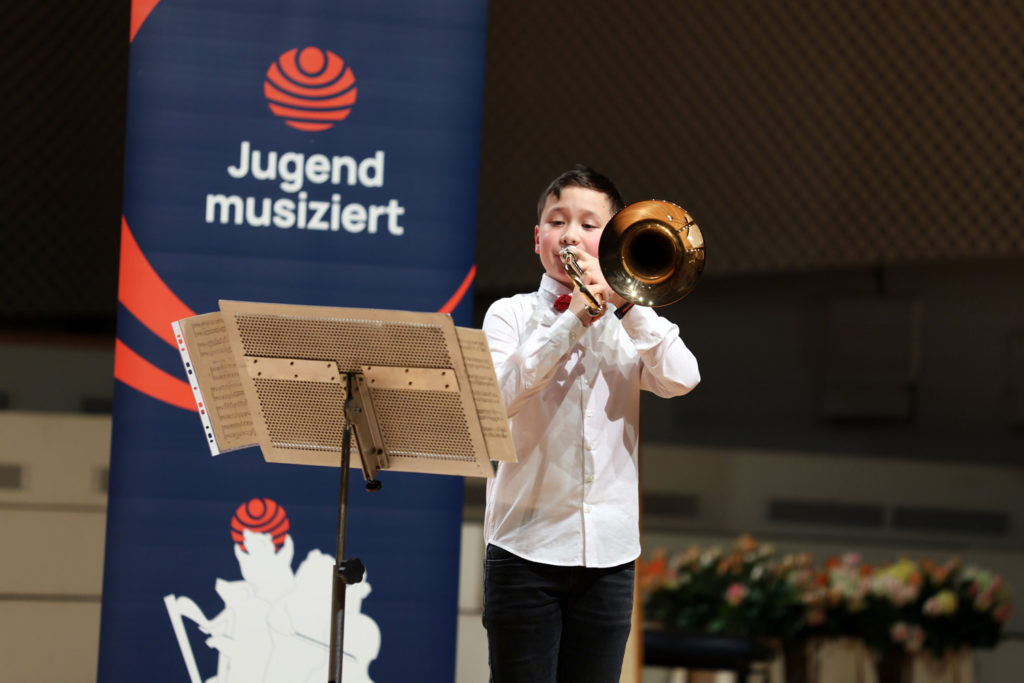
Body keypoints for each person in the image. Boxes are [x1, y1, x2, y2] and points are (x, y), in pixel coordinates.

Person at [480, 164, 701, 682]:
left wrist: (626, 303)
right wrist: (572, 318)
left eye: (588, 223)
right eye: (558, 222)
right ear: (538, 239)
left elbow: (682, 378)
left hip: (609, 555)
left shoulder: (631, 321)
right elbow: (496, 399)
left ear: (614, 238)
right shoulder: (508, 315)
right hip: (523, 548)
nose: (571, 235)